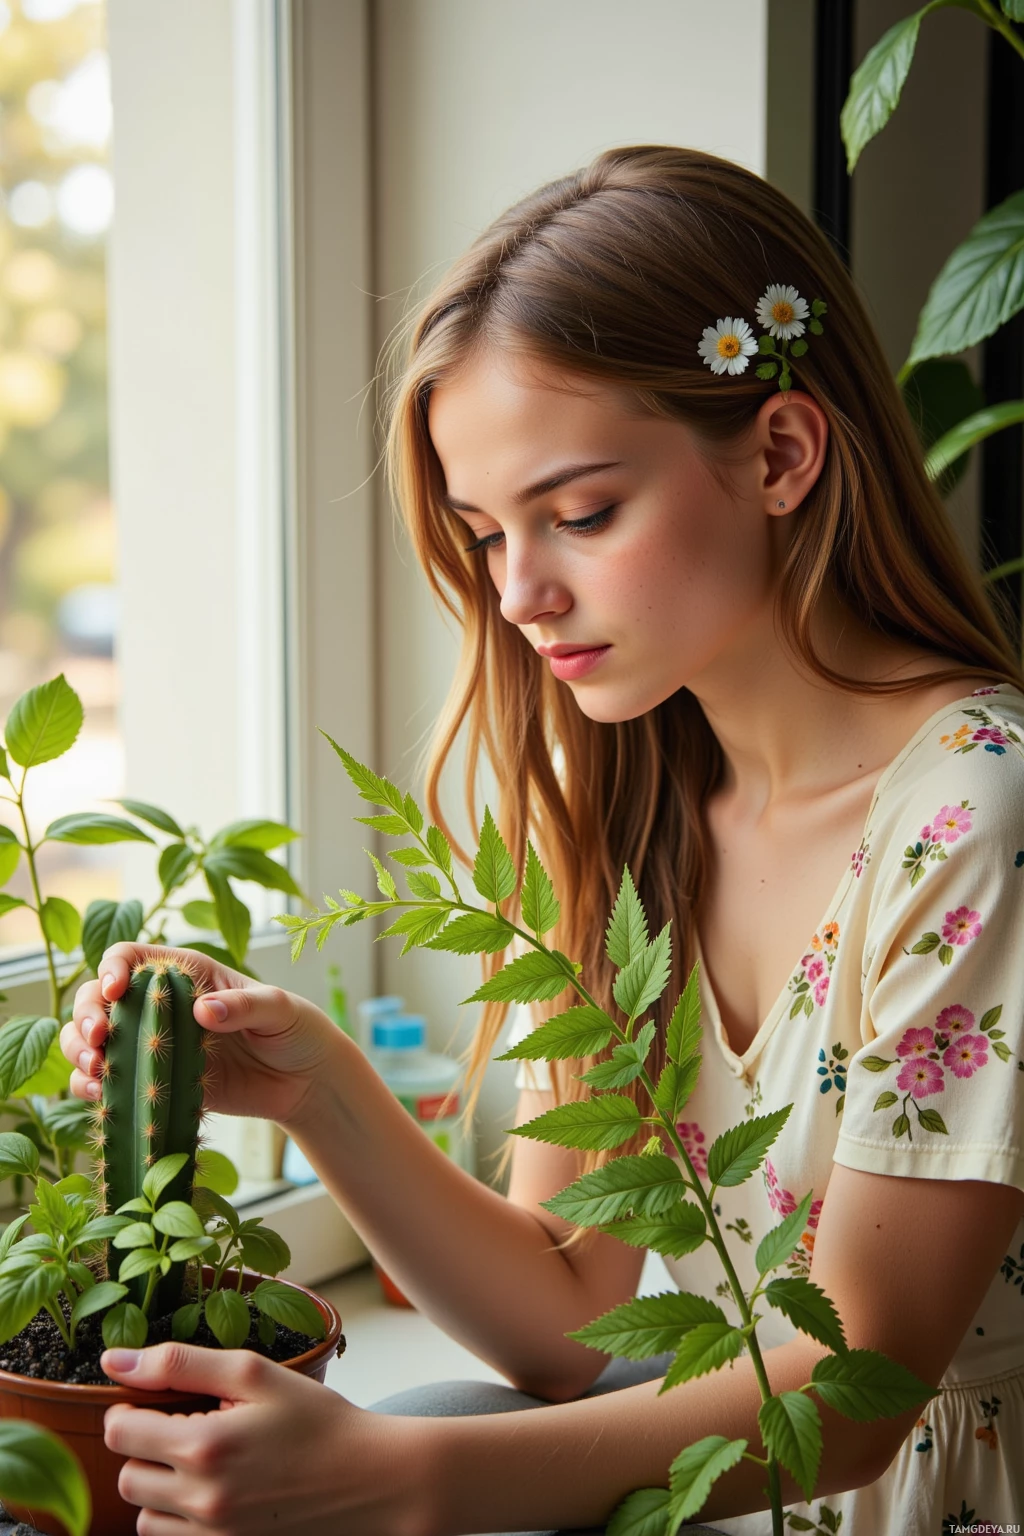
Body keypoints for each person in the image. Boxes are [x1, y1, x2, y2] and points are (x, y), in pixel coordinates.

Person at [61, 145, 1024, 1536]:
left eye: (580, 515)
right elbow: (576, 1317)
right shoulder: (631, 808)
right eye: (483, 535)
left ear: (780, 453)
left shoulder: (972, 821)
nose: (520, 593)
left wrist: (398, 1482)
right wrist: (317, 1091)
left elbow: (856, 1396)